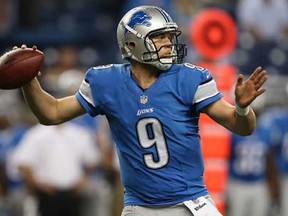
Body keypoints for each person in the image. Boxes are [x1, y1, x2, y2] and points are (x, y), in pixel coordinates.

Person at [11, 5, 268, 216]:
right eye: (159, 37)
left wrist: (243, 108)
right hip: (138, 207)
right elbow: (51, 113)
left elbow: (240, 126)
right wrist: (28, 80)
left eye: (169, 36)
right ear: (132, 45)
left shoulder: (189, 78)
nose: (168, 43)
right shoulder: (106, 82)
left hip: (191, 204)